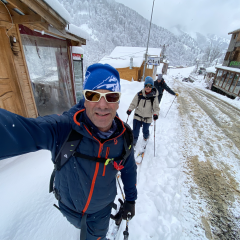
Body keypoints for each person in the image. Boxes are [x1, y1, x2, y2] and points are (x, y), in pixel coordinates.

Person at [0, 63, 137, 240]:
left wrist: (131, 200)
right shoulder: (63, 129)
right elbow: (22, 131)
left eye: (111, 96)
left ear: (118, 102)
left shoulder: (124, 138)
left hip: (100, 214)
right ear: (85, 99)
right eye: (94, 95)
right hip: (68, 209)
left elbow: (129, 170)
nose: (102, 104)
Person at [126, 76, 160, 146]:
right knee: (135, 132)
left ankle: (146, 136)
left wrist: (156, 114)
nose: (148, 87)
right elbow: (133, 103)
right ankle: (134, 142)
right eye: (146, 85)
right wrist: (130, 109)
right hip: (137, 116)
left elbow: (156, 108)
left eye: (150, 85)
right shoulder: (139, 94)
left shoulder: (154, 97)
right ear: (144, 86)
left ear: (152, 86)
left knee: (145, 130)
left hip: (147, 118)